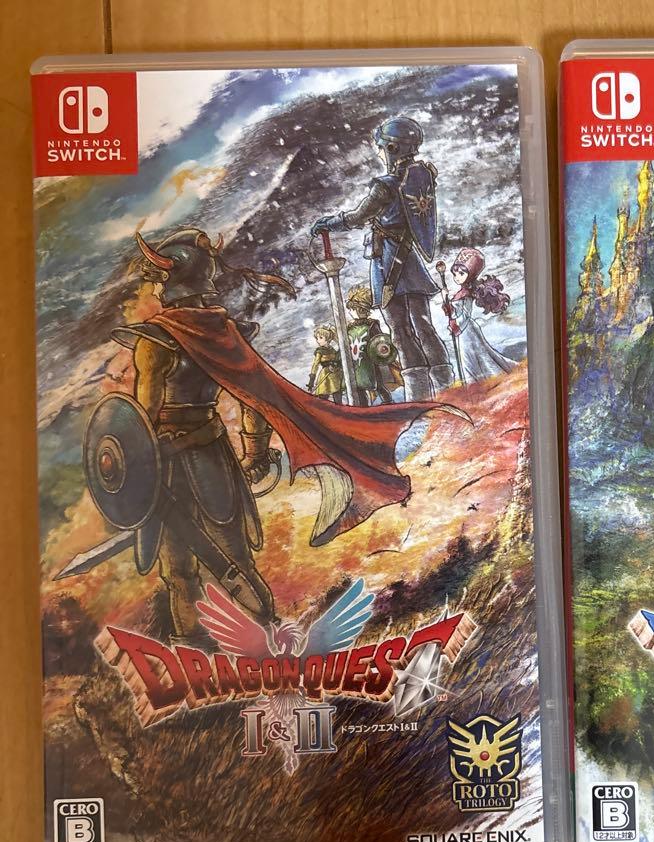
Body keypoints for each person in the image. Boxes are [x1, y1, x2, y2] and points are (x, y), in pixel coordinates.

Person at [111, 228, 460, 641]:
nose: (155, 285)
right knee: (234, 562)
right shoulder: (222, 332)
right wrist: (254, 453)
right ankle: (256, 644)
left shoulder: (155, 342)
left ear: (175, 277)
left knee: (181, 570)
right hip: (212, 460)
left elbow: (141, 418)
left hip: (171, 468)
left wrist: (136, 475)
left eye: (159, 276)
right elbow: (254, 402)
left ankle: (207, 649)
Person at [312, 116, 453, 401]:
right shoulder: (422, 176)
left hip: (388, 260)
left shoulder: (385, 186)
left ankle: (420, 396)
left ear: (391, 148)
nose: (378, 152)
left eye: (380, 147)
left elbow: (357, 217)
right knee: (423, 323)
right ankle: (449, 388)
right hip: (409, 259)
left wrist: (329, 222)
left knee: (400, 329)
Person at [443, 248, 514, 382]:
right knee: (475, 355)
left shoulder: (467, 294)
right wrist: (445, 299)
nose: (457, 276)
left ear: (471, 275)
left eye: (461, 273)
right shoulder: (461, 292)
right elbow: (453, 312)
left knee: (470, 357)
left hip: (466, 329)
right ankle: (475, 382)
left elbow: (464, 315)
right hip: (464, 330)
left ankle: (475, 383)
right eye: (455, 273)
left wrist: (455, 324)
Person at [346, 284, 401, 404]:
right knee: (359, 388)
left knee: (378, 385)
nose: (350, 312)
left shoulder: (371, 325)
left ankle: (388, 403)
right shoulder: (350, 328)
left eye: (352, 309)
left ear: (359, 309)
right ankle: (364, 408)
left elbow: (381, 342)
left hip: (370, 363)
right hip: (357, 364)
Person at [307, 325, 344, 403]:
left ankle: (340, 407)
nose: (318, 341)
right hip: (325, 375)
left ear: (327, 339)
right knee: (323, 395)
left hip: (335, 374)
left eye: (321, 338)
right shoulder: (319, 351)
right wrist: (311, 380)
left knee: (337, 394)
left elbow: (338, 357)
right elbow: (315, 365)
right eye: (317, 338)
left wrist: (336, 364)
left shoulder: (332, 350)